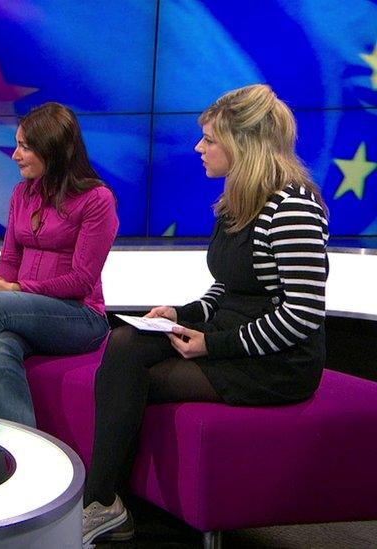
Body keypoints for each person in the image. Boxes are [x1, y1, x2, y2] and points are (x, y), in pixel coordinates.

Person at [81, 84, 329, 545]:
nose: (199, 147)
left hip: (275, 364)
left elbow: (302, 315)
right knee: (125, 342)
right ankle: (103, 501)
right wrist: (183, 312)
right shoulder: (238, 199)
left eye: (210, 139)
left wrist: (212, 343)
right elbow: (229, 287)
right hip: (231, 334)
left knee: (132, 379)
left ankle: (101, 503)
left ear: (243, 145)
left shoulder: (292, 205)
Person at [0, 102, 118, 427]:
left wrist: (12, 291)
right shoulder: (23, 193)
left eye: (25, 147)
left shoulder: (97, 200)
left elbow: (82, 280)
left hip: (80, 318)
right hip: (29, 312)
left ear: (54, 150)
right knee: (1, 347)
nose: (15, 155)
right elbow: (10, 257)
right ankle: (24, 447)